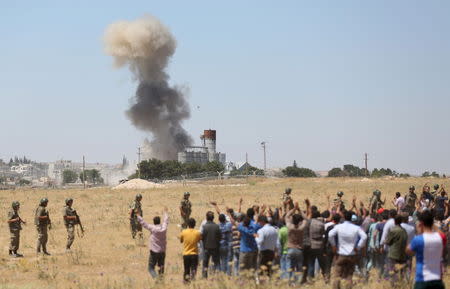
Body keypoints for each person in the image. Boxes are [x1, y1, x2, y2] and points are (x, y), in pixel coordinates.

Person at [407, 210, 447, 289]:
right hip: (437, 281)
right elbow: (442, 234)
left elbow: (409, 251)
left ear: (421, 223)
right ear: (432, 222)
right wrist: (432, 225)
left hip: (422, 281)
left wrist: (419, 232)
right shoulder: (440, 238)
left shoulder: (418, 240)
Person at [328, 210, 367, 289]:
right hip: (352, 254)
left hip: (341, 254)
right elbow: (364, 237)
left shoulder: (339, 226)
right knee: (349, 276)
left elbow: (330, 234)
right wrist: (358, 247)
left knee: (337, 275)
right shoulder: (356, 228)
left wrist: (334, 245)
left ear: (344, 217)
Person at [137, 206, 169, 279]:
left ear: (154, 222)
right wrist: (165, 212)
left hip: (154, 251)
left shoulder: (152, 228)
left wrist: (138, 216)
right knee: (161, 267)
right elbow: (166, 221)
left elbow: (144, 224)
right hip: (162, 251)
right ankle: (161, 280)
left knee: (151, 268)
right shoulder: (164, 228)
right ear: (159, 222)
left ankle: (156, 278)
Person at [285, 203, 307, 284]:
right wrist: (299, 210)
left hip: (290, 248)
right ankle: (298, 283)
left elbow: (287, 216)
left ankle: (290, 283)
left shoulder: (290, 227)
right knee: (299, 268)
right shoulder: (301, 228)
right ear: (300, 221)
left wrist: (294, 209)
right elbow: (306, 219)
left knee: (289, 268)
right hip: (299, 249)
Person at [384, 215, 408, 283]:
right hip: (402, 254)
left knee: (392, 272)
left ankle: (393, 285)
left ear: (394, 222)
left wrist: (385, 241)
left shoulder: (393, 230)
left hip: (393, 254)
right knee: (401, 272)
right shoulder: (404, 231)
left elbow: (388, 242)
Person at [180, 218, 202, 282]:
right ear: (194, 224)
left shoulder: (184, 232)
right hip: (194, 254)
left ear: (188, 224)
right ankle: (193, 281)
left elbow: (181, 240)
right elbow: (200, 239)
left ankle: (186, 282)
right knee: (194, 270)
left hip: (186, 254)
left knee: (186, 269)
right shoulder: (197, 232)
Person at [201, 211, 221, 278]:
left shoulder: (205, 227)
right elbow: (220, 237)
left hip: (206, 247)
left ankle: (204, 277)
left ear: (206, 218)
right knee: (216, 263)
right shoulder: (217, 226)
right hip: (215, 247)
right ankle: (217, 276)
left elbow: (202, 237)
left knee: (205, 263)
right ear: (213, 218)